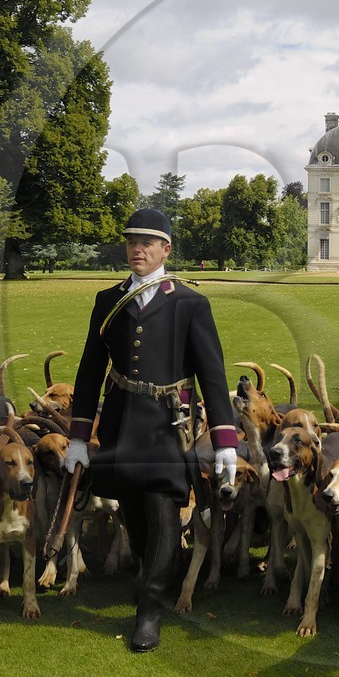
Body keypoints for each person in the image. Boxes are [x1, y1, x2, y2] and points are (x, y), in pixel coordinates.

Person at [62, 208, 238, 653]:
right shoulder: (108, 301)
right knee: (135, 513)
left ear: (166, 249)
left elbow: (212, 374)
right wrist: (80, 436)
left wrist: (225, 441)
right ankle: (154, 572)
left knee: (162, 508)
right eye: (131, 242)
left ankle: (151, 609)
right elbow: (88, 371)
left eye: (148, 243)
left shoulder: (189, 302)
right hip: (122, 419)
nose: (137, 249)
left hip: (166, 423)